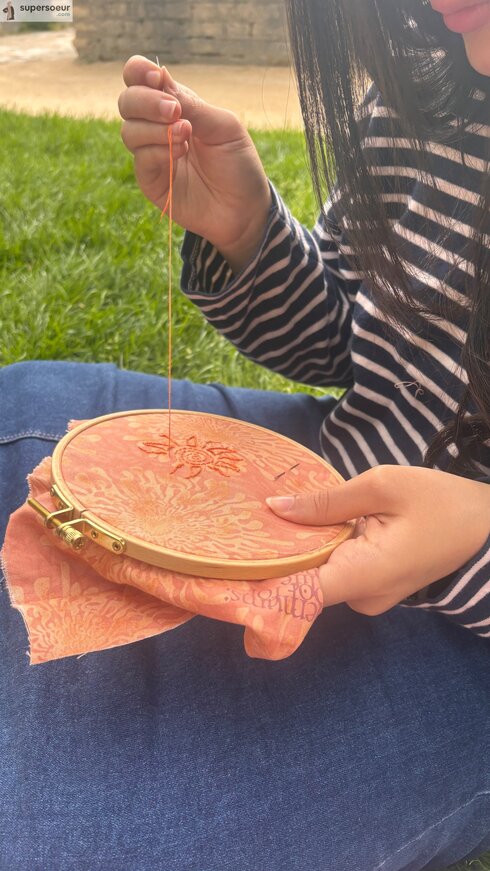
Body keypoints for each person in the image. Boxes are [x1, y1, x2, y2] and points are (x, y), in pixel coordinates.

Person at [0, 0, 489, 868]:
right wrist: (248, 229)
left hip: (467, 641)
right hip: (327, 467)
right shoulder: (430, 62)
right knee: (22, 411)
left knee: (62, 832)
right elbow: (347, 340)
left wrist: (475, 534)